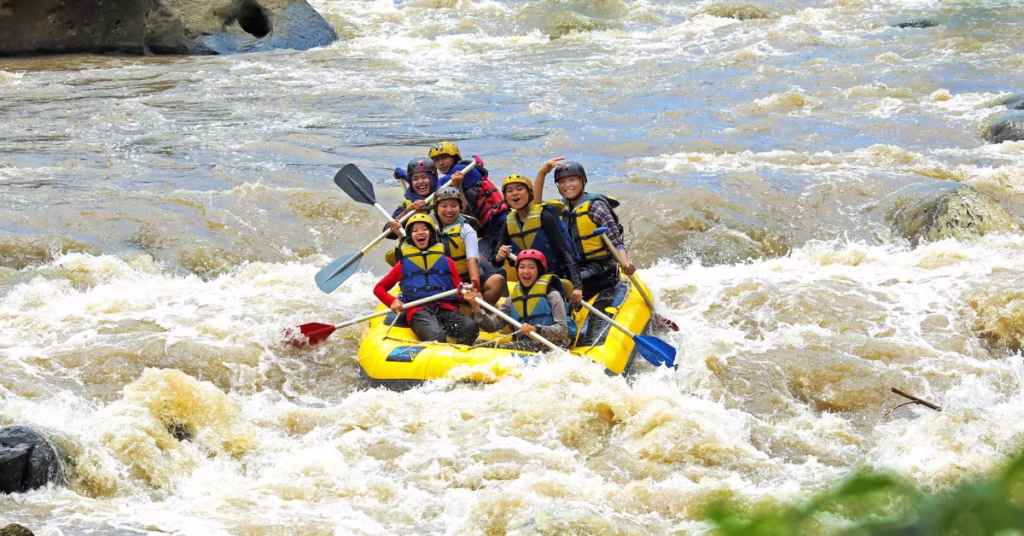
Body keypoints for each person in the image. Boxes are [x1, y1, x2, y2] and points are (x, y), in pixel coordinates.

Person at [533, 158, 635, 301]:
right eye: (562, 182)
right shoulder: (558, 208)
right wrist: (542, 173)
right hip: (573, 266)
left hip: (602, 268)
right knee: (541, 280)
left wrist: (625, 263)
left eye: (572, 180)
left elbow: (616, 243)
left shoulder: (596, 207)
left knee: (560, 284)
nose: (567, 185)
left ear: (583, 181)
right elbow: (534, 209)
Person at [373, 213, 479, 345]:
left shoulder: (447, 262)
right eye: (415, 230)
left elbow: (457, 294)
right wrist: (392, 301)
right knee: (436, 335)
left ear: (432, 234)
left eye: (424, 229)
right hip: (418, 310)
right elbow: (379, 288)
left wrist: (463, 294)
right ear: (410, 237)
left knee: (470, 328)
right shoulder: (403, 265)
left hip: (446, 308)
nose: (420, 232)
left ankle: (460, 354)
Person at [493, 173, 583, 303]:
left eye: (519, 189)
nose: (514, 193)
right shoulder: (508, 223)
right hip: (527, 280)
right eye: (509, 191)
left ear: (530, 193)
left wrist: (578, 286)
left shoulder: (544, 216)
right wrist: (499, 255)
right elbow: (496, 262)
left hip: (554, 278)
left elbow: (565, 253)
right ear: (505, 197)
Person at [463, 249, 575, 350]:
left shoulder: (552, 295)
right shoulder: (512, 299)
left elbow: (562, 330)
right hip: (525, 345)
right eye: (522, 267)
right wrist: (476, 307)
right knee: (478, 344)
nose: (526, 271)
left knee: (501, 347)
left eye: (531, 267)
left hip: (552, 346)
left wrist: (536, 329)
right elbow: (493, 326)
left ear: (539, 271)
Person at [428, 141, 509, 258]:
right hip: (487, 227)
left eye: (444, 158)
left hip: (499, 221)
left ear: (454, 157)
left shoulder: (463, 170)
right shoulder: (458, 175)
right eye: (436, 160)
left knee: (482, 258)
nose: (440, 163)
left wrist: (407, 175)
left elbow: (434, 185)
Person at [431, 186, 506, 305]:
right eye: (444, 206)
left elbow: (472, 260)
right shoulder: (426, 228)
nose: (449, 210)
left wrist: (475, 288)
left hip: (464, 280)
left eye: (454, 206)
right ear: (436, 208)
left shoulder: (466, 228)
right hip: (438, 282)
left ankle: (478, 314)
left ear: (460, 208)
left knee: (498, 281)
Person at [385, 157, 438, 239]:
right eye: (415, 179)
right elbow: (387, 233)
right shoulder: (409, 202)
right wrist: (409, 210)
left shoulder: (444, 193)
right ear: (411, 182)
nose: (420, 182)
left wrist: (457, 185)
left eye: (424, 177)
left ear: (433, 178)